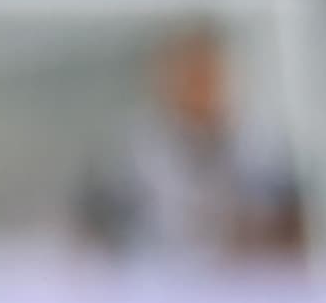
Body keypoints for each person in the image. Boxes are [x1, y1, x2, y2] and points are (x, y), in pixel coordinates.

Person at [77, 25, 305, 261]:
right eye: (190, 77)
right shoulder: (134, 149)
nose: (200, 88)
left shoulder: (263, 145)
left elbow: (294, 226)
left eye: (208, 76)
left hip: (244, 283)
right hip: (153, 282)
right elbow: (94, 225)